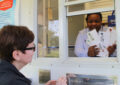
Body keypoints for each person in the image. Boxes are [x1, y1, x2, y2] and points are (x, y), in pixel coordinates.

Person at [0, 25, 67, 85]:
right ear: (17, 54)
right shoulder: (13, 81)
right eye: (32, 48)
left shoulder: (4, 73)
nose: (34, 51)